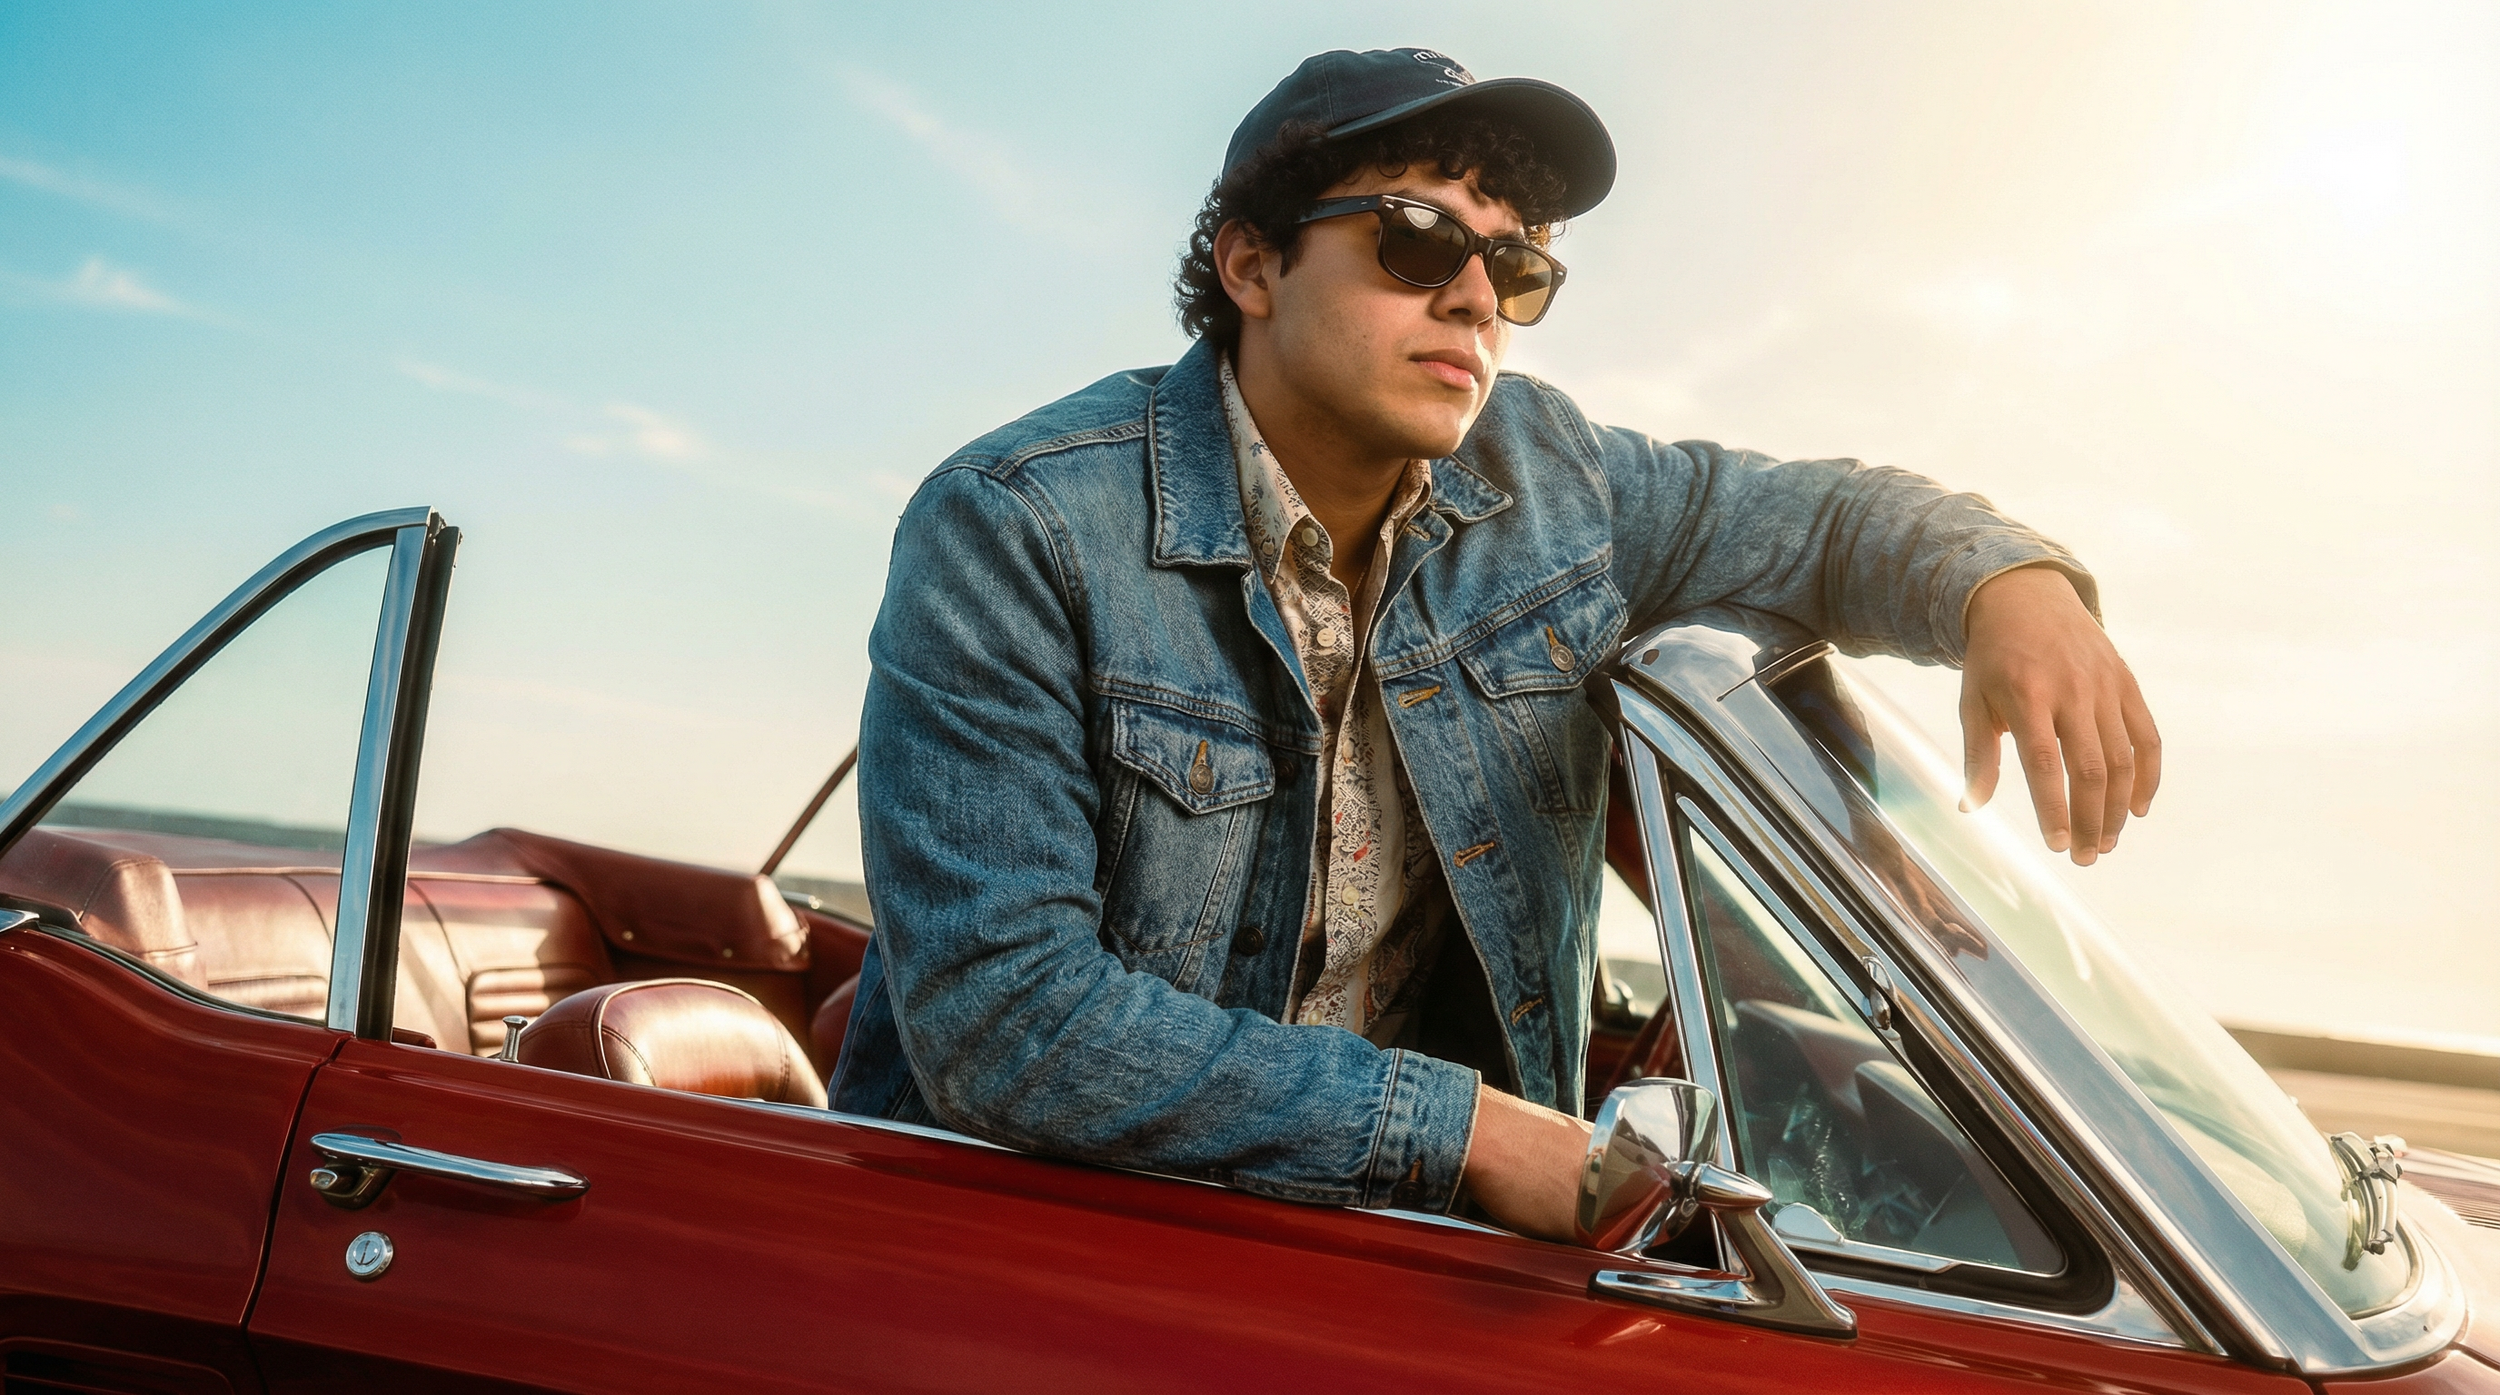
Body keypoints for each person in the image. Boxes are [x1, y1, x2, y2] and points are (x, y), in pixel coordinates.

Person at [829, 47, 2160, 1241]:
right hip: (1038, 1251)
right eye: (1415, 238)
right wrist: (1467, 1131)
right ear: (1251, 264)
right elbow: (1009, 1025)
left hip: (1405, 1262)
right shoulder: (1019, 525)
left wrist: (2015, 587)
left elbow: (1824, 524)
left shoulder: (1552, 481)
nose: (1477, 298)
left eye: (1516, 264)